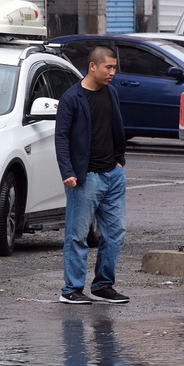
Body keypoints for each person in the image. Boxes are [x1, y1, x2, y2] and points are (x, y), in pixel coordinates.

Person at [55, 45, 129, 305]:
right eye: (108, 67)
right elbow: (61, 137)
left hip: (113, 175)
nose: (112, 73)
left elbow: (117, 127)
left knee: (116, 232)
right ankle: (71, 289)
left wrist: (120, 161)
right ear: (93, 66)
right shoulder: (72, 98)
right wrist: (68, 171)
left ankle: (103, 285)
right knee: (77, 234)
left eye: (114, 68)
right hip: (85, 178)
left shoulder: (111, 93)